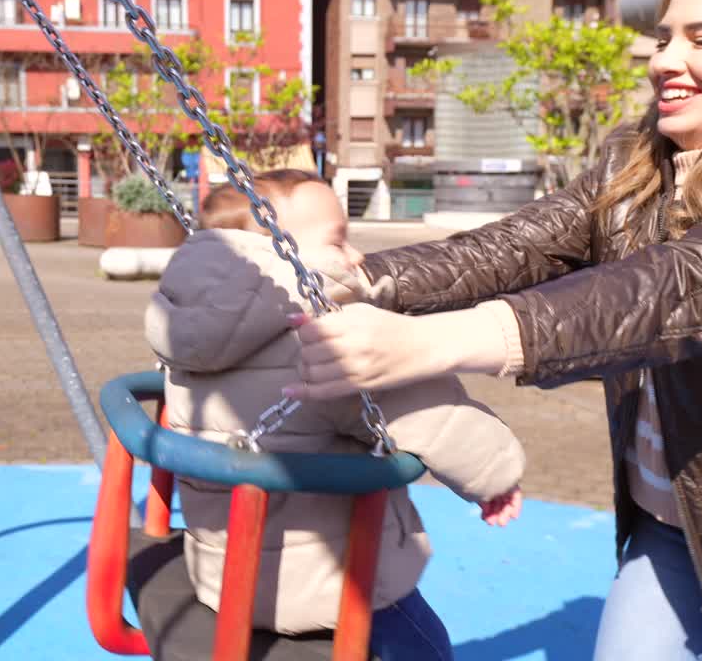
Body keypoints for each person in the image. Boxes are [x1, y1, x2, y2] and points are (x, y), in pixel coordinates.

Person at [286, 0, 702, 660]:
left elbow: (681, 288)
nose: (664, 60)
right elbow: (515, 247)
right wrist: (363, 279)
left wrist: (437, 342)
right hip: (675, 524)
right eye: (664, 37)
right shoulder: (640, 161)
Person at [144, 169, 525, 661]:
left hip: (223, 580)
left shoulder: (185, 334)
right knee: (428, 646)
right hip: (336, 591)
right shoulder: (322, 341)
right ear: (278, 252)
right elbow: (431, 415)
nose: (357, 255)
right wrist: (495, 475)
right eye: (338, 241)